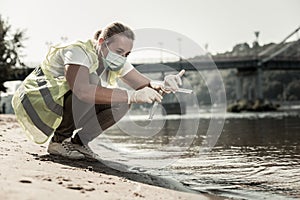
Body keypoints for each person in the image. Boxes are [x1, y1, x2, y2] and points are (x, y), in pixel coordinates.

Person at [12, 22, 185, 160]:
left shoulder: (115, 59)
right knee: (95, 83)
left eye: (127, 54)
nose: (123, 58)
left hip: (61, 104)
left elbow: (145, 85)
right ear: (102, 43)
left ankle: (78, 143)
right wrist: (131, 96)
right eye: (119, 51)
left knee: (121, 104)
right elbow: (81, 90)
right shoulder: (78, 51)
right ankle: (59, 141)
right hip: (37, 104)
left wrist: (164, 84)